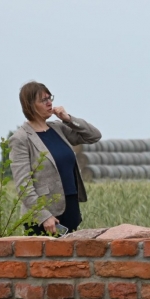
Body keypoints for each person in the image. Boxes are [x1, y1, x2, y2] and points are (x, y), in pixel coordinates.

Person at [9, 81, 102, 234]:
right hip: (45, 218)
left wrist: (68, 119)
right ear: (30, 105)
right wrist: (44, 215)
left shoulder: (58, 128)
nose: (49, 103)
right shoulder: (21, 138)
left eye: (49, 98)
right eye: (43, 100)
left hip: (70, 208)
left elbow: (94, 136)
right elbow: (23, 186)